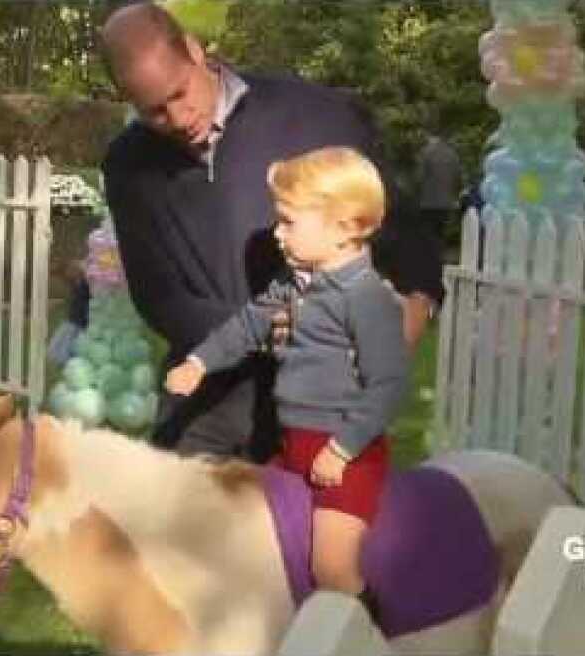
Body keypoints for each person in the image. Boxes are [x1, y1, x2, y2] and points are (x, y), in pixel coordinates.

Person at [100, 2, 442, 460]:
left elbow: (401, 228)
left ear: (196, 51)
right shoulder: (129, 164)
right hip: (207, 408)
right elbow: (159, 298)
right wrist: (265, 331)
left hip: (319, 407)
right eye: (155, 112)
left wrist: (417, 302)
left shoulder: (317, 115)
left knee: (314, 528)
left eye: (181, 93)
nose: (179, 119)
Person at [165, 147, 409, 595]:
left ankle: (370, 633)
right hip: (291, 445)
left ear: (346, 228)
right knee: (260, 551)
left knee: (332, 570)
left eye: (289, 222)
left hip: (346, 456)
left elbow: (388, 385)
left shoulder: (367, 298)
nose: (277, 234)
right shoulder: (292, 282)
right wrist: (199, 361)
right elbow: (245, 325)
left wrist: (342, 449)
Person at [415, 127, 463, 243]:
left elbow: (419, 177)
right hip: (446, 201)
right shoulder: (452, 154)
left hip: (428, 201)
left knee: (427, 233)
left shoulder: (426, 152)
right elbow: (458, 177)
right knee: (440, 232)